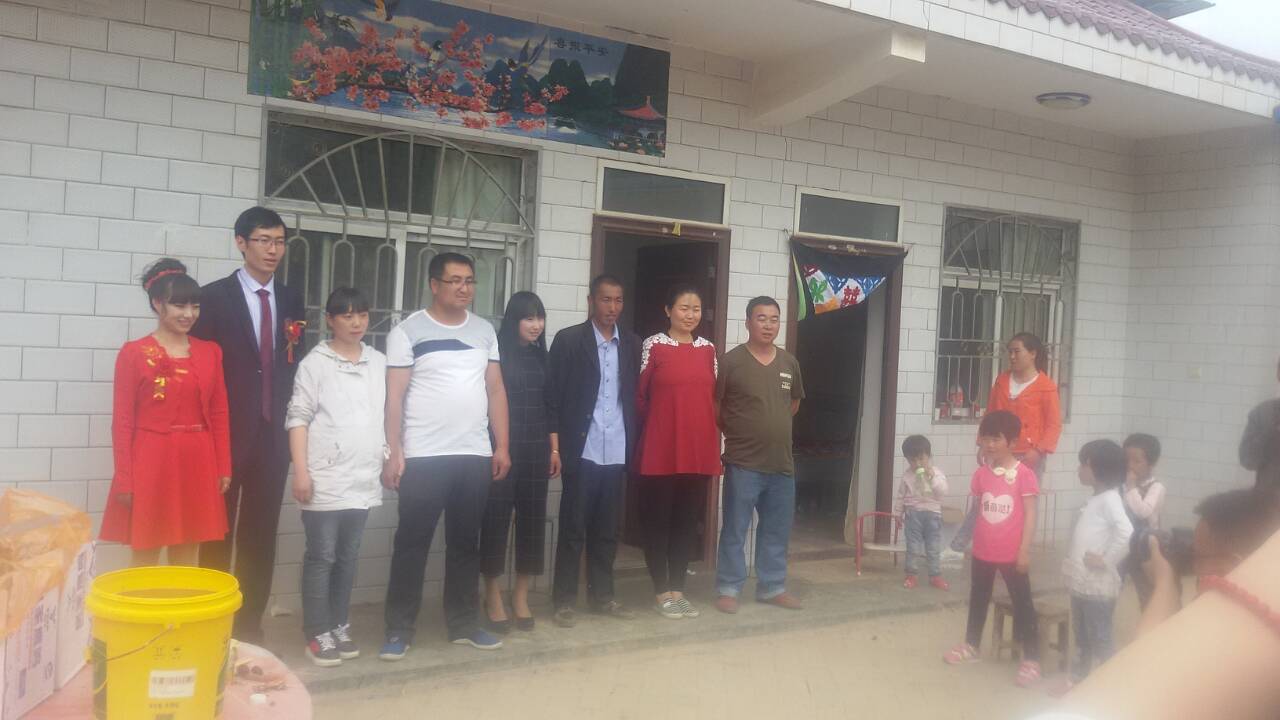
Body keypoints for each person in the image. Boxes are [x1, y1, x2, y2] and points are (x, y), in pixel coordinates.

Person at [1041, 494, 1280, 720]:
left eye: (1198, 556)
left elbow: (1141, 674)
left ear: (1234, 565)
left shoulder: (1239, 650)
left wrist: (1164, 581)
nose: (1193, 566)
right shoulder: (1253, 626)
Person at [379, 252, 512, 660]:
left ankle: (463, 625)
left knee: (465, 544)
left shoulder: (485, 331)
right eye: (455, 280)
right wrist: (393, 451)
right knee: (412, 543)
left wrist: (502, 445)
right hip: (423, 456)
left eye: (469, 280)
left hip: (473, 454)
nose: (464, 288)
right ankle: (399, 629)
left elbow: (495, 390)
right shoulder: (408, 332)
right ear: (434, 285)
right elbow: (394, 396)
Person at [191, 207, 305, 641]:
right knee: (216, 533)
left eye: (279, 241)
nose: (273, 250)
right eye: (263, 240)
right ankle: (211, 623)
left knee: (261, 533)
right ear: (241, 242)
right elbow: (200, 371)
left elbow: (293, 362)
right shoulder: (212, 298)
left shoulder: (291, 299)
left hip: (273, 436)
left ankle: (249, 625)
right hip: (224, 437)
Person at [101, 259, 230, 567]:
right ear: (158, 304)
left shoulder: (210, 351)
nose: (189, 314)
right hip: (152, 460)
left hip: (198, 458)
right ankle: (143, 602)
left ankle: (178, 603)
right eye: (179, 305)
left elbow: (219, 411)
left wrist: (223, 465)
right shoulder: (134, 353)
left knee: (187, 553)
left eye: (195, 306)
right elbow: (122, 422)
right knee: (145, 552)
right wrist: (125, 479)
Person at [285, 288, 386, 667]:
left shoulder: (378, 362)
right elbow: (298, 417)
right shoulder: (316, 363)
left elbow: (385, 414)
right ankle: (317, 632)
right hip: (324, 477)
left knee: (347, 556)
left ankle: (339, 624)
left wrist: (389, 455)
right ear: (330, 320)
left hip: (362, 476)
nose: (356, 322)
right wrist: (301, 471)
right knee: (322, 555)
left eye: (362, 314)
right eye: (347, 315)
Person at [547, 274, 641, 628]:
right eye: (605, 299)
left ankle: (603, 596)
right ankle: (564, 601)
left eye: (618, 300)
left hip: (615, 448)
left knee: (607, 530)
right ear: (591, 301)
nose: (612, 307)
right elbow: (552, 396)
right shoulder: (570, 340)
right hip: (582, 448)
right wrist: (555, 446)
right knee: (573, 528)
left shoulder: (631, 344)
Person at [714, 296, 805, 614]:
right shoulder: (731, 362)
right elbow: (717, 407)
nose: (768, 325)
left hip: (781, 464)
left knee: (776, 530)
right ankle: (728, 588)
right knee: (735, 528)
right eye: (761, 318)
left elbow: (793, 404)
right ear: (748, 322)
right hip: (743, 462)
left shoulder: (789, 363)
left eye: (774, 319)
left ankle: (772, 587)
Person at [634, 285, 721, 620]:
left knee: (686, 522)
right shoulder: (654, 345)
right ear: (668, 310)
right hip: (661, 447)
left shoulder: (708, 350)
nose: (690, 315)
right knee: (658, 521)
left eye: (696, 309)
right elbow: (641, 398)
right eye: (684, 308)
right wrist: (660, 427)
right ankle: (661, 592)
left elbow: (713, 398)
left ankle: (678, 591)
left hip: (697, 450)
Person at [479, 291, 560, 633]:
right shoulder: (495, 355)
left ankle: (521, 596)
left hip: (537, 449)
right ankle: (493, 594)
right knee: (495, 520)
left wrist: (554, 450)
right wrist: (497, 447)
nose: (536, 325)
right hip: (501, 449)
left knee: (532, 522)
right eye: (529, 318)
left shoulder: (543, 357)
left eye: (539, 318)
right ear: (514, 320)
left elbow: (552, 406)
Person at [944, 410, 1041, 687]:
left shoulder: (1024, 475)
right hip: (982, 551)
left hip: (1012, 554)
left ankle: (1032, 659)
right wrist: (967, 543)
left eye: (996, 439)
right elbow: (978, 511)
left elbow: (1030, 514)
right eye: (985, 438)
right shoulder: (981, 475)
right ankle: (971, 645)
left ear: (1012, 442)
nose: (989, 444)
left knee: (1023, 603)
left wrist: (1024, 550)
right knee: (978, 597)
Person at [954, 332, 1061, 552]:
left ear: (1033, 353)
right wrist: (983, 443)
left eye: (1017, 351)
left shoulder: (1046, 386)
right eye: (1009, 352)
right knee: (985, 499)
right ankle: (958, 546)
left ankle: (1016, 550)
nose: (1012, 356)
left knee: (1022, 504)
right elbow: (991, 414)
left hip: (1029, 456)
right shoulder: (1002, 381)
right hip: (999, 451)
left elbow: (1053, 425)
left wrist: (1039, 451)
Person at [1057, 439, 1133, 692]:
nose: (1079, 469)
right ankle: (1078, 679)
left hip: (1097, 584)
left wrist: (1106, 560)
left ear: (1098, 468)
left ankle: (1108, 684)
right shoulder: (1097, 498)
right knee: (1081, 634)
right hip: (1083, 581)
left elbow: (1126, 532)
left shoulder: (1110, 499)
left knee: (1099, 635)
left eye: (1083, 464)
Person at [894, 435, 950, 591]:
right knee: (913, 547)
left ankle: (935, 576)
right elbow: (901, 496)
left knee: (933, 547)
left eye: (921, 459)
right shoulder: (907, 475)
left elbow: (943, 492)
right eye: (912, 460)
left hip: (933, 515)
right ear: (907, 459)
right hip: (913, 515)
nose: (917, 464)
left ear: (929, 456)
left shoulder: (936, 473)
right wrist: (898, 514)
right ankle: (911, 575)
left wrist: (931, 478)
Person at [1121, 432, 1165, 608]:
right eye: (1127, 460)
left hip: (1144, 548)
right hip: (1124, 544)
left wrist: (1131, 487)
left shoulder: (1156, 487)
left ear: (1151, 464)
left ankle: (1151, 619)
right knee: (1114, 585)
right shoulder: (1123, 485)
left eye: (1136, 461)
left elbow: (1143, 512)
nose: (1130, 466)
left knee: (1146, 590)